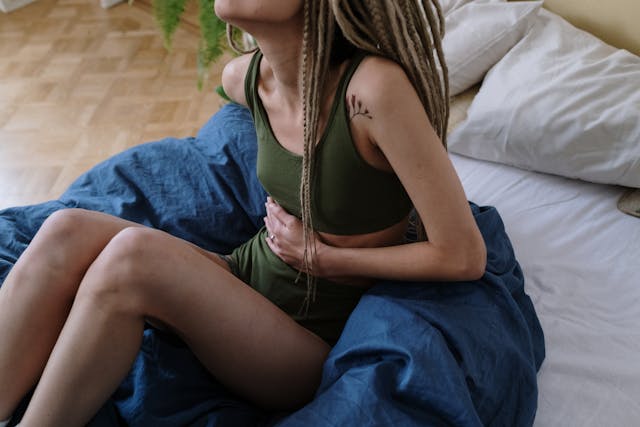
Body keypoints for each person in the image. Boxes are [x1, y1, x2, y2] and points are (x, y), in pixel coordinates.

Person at [0, 1, 486, 426]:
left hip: (304, 342)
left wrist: (327, 258)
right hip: (243, 277)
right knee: (66, 229)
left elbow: (463, 255)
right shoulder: (246, 79)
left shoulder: (373, 91)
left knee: (133, 256)